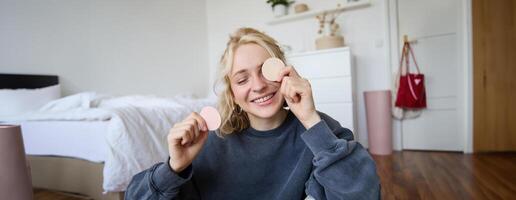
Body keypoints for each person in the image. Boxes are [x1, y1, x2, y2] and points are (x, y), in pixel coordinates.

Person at [125, 27, 380, 200]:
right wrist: (174, 167)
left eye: (266, 70)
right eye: (242, 78)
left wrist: (311, 120)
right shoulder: (210, 139)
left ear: (285, 72)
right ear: (232, 93)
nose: (258, 85)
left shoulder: (319, 129)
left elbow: (363, 194)